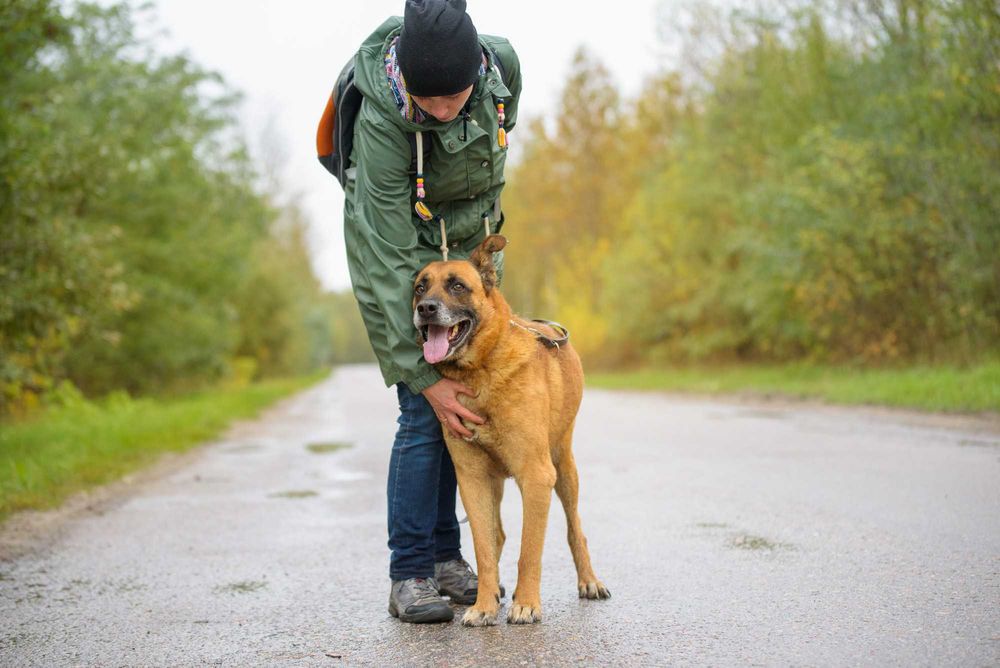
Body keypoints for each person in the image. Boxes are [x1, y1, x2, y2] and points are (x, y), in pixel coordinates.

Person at [342, 0, 521, 623]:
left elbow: (490, 162)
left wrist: (482, 276)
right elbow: (386, 259)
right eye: (429, 100)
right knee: (427, 411)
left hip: (467, 251)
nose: (444, 111)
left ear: (477, 71)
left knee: (464, 411)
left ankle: (448, 560)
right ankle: (411, 572)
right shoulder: (381, 120)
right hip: (397, 248)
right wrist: (422, 375)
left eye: (456, 97)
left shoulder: (502, 67)